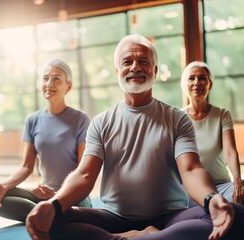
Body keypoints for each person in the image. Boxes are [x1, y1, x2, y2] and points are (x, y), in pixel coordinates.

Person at [25, 34, 244, 240]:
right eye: (127, 61)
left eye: (143, 62)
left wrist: (210, 199)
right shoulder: (101, 122)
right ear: (118, 70)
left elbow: (191, 170)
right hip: (114, 218)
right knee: (52, 218)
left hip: (169, 217)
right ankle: (134, 237)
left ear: (155, 70)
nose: (135, 67)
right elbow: (84, 175)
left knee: (232, 215)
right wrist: (54, 204)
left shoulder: (177, 119)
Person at [0, 59, 91, 222]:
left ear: (69, 87)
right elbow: (26, 167)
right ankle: (46, 216)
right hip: (43, 194)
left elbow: (83, 170)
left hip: (73, 195)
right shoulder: (33, 120)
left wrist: (60, 194)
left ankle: (45, 215)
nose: (49, 83)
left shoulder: (81, 119)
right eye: (45, 78)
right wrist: (4, 185)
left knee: (80, 210)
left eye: (56, 79)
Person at [180, 61, 244, 205]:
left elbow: (230, 152)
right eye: (191, 78)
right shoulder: (177, 117)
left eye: (202, 78)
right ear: (185, 85)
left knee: (237, 198)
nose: (197, 82)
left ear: (210, 84)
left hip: (221, 185)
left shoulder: (222, 114)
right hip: (191, 190)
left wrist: (238, 181)